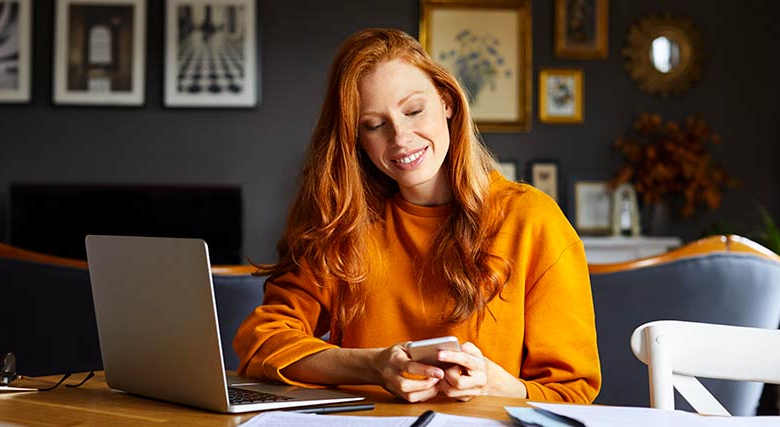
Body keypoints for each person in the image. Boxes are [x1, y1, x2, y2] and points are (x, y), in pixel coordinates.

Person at [233, 28, 600, 404]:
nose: (401, 138)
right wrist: (373, 366)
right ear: (356, 139)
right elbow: (263, 341)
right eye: (374, 125)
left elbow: (572, 391)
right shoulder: (346, 223)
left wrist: (494, 383)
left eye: (413, 110)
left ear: (447, 102)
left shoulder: (531, 220)